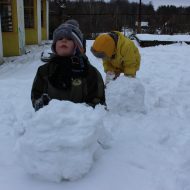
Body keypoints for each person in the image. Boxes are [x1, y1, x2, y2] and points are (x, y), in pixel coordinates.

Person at [31, 20, 105, 111]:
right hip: (49, 122)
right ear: (55, 46)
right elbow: (36, 93)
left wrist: (86, 111)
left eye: (69, 39)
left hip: (80, 123)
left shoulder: (90, 72)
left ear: (77, 46)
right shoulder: (44, 70)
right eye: (60, 38)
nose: (64, 40)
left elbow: (98, 100)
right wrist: (39, 102)